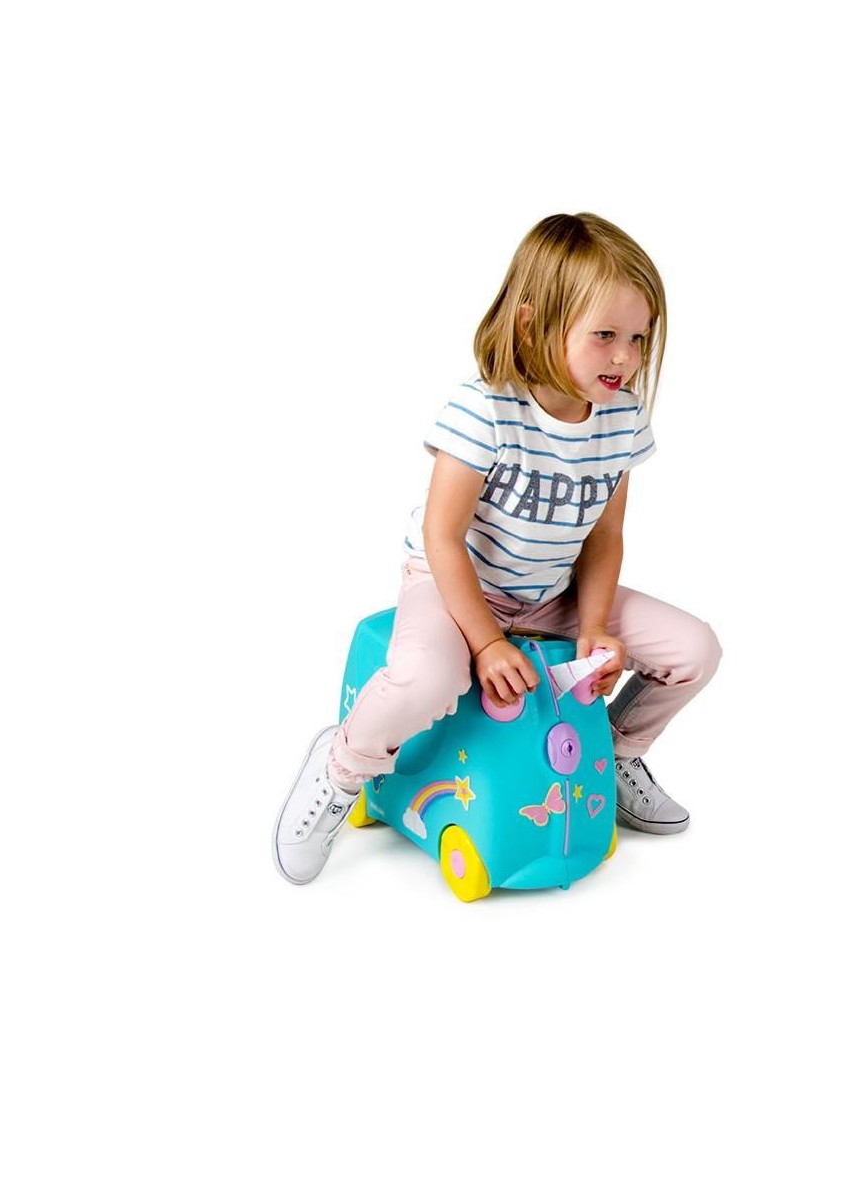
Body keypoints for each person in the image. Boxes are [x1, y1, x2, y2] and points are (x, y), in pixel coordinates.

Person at [273, 212, 722, 884]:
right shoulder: (485, 408)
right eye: (604, 335)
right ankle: (341, 768)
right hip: (454, 584)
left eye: (638, 336)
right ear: (533, 324)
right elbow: (442, 537)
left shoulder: (622, 418)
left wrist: (594, 626)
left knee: (694, 649)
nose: (625, 357)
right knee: (428, 678)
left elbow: (604, 535)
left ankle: (616, 753)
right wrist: (484, 643)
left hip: (548, 594)